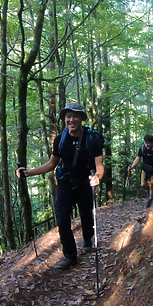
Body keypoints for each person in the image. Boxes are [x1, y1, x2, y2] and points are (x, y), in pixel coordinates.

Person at [16, 102, 104, 269]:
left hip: (85, 183)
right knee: (62, 219)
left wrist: (98, 177)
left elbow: (99, 165)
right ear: (65, 119)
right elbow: (51, 164)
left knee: (86, 215)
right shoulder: (60, 140)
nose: (71, 120)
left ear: (81, 118)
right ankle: (70, 256)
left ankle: (87, 238)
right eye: (68, 117)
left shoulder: (91, 140)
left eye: (75, 116)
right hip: (65, 184)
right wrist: (28, 173)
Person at [127, 134, 153, 207]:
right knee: (143, 184)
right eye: (145, 142)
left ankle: (150, 202)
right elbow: (138, 158)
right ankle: (150, 193)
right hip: (145, 168)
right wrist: (132, 166)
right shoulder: (142, 148)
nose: (147, 144)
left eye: (149, 143)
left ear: (152, 143)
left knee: (152, 184)